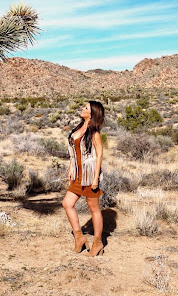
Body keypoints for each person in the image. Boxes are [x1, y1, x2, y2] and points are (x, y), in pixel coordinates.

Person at [61, 100, 105, 256]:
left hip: (89, 175)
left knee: (93, 208)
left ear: (92, 113)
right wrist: (71, 168)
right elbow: (73, 153)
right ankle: (79, 237)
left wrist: (95, 178)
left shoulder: (95, 133)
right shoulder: (79, 128)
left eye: (85, 108)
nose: (82, 109)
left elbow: (99, 155)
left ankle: (98, 243)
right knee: (67, 203)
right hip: (78, 174)